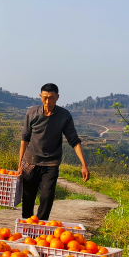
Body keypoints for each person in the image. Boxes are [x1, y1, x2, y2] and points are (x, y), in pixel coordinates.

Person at [18, 83, 89, 220]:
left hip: (51, 163)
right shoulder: (32, 112)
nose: (47, 101)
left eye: (51, 98)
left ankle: (41, 228)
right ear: (40, 96)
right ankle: (26, 227)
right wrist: (20, 163)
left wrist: (84, 165)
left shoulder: (64, 116)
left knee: (47, 196)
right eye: (44, 97)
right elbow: (25, 138)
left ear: (57, 97)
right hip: (30, 161)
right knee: (28, 197)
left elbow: (74, 140)